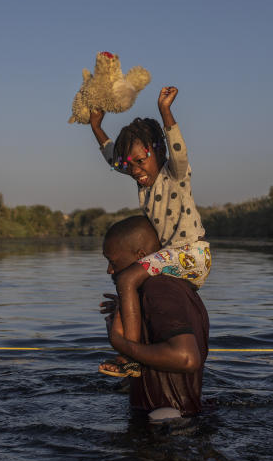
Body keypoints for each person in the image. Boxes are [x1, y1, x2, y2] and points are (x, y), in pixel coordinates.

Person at [88, 86, 211, 378]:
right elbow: (113, 158)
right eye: (130, 166)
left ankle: (128, 355)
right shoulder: (141, 180)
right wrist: (96, 126)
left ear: (157, 151)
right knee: (125, 293)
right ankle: (129, 355)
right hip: (171, 258)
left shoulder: (174, 174)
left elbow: (178, 150)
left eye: (141, 162)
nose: (135, 170)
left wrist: (165, 111)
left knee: (126, 277)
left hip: (192, 254)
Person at [99, 216, 209, 420]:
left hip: (166, 427)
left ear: (142, 256)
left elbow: (186, 358)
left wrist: (119, 342)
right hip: (174, 419)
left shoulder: (159, 289)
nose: (109, 270)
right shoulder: (172, 288)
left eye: (113, 262)